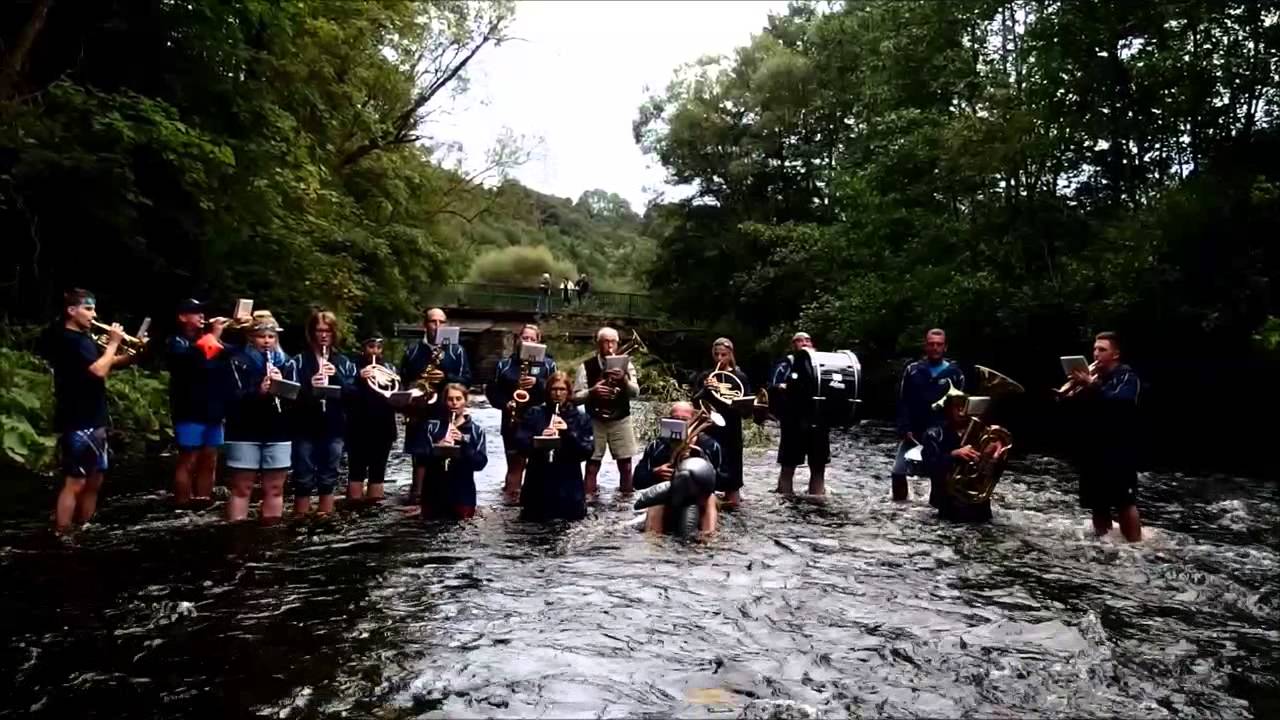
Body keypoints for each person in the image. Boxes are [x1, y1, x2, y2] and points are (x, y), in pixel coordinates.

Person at [44, 289, 142, 533]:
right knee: (75, 481)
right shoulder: (66, 338)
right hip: (77, 418)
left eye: (93, 308)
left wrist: (132, 356)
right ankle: (63, 532)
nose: (94, 314)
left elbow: (105, 364)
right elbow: (98, 370)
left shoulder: (85, 338)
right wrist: (113, 343)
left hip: (95, 417)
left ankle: (84, 527)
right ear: (71, 311)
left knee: (95, 480)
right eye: (88, 308)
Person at [1061, 331, 1143, 542]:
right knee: (1097, 502)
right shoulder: (1094, 377)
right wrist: (1073, 393)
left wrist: (1091, 385)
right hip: (1092, 446)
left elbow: (1120, 402)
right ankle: (1104, 543)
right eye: (1095, 349)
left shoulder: (1127, 376)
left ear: (1115, 354)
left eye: (1102, 350)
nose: (1096, 354)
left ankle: (1135, 546)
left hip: (1118, 447)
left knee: (1124, 501)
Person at [224, 319, 296, 522]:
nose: (266, 341)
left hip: (278, 429)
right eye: (261, 336)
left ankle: (271, 531)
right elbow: (232, 397)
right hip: (244, 430)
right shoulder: (237, 361)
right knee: (242, 486)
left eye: (271, 337)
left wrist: (281, 385)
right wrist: (259, 391)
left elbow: (295, 399)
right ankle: (237, 530)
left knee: (274, 487)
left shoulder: (286, 362)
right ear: (251, 338)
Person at [287, 310, 356, 516]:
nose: (323, 335)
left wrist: (336, 379)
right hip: (305, 426)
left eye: (328, 331)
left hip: (333, 426)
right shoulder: (298, 362)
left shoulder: (343, 362)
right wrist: (310, 386)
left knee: (329, 476)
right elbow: (289, 396)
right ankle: (300, 518)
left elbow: (353, 395)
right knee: (303, 476)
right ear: (312, 333)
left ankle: (325, 518)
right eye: (319, 330)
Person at [400, 307, 471, 502]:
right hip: (419, 410)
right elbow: (402, 381)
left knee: (448, 454)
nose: (438, 326)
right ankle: (417, 497)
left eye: (442, 322)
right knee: (420, 457)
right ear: (425, 325)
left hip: (447, 410)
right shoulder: (413, 350)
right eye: (433, 321)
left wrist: (446, 377)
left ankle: (446, 496)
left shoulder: (457, 351)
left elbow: (466, 380)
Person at [165, 298, 230, 508]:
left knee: (210, 459)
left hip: (213, 408)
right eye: (195, 312)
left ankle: (204, 502)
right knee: (189, 458)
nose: (202, 316)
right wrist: (214, 336)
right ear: (183, 317)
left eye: (203, 312)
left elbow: (232, 352)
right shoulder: (175, 342)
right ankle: (182, 504)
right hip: (189, 408)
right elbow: (193, 359)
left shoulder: (207, 338)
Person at [891, 328, 967, 501]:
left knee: (939, 470)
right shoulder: (912, 370)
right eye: (931, 344)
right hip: (914, 431)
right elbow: (902, 400)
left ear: (945, 347)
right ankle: (899, 506)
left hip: (942, 433)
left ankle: (935, 507)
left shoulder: (955, 374)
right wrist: (904, 428)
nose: (935, 348)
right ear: (926, 346)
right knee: (898, 471)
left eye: (939, 345)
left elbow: (960, 408)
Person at [484, 324, 557, 499]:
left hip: (540, 420)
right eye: (525, 338)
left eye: (533, 339)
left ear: (539, 341)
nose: (529, 341)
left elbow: (558, 390)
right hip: (512, 419)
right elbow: (492, 391)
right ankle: (510, 503)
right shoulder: (504, 364)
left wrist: (538, 383)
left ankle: (535, 499)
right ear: (518, 340)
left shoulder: (548, 365)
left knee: (539, 464)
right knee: (514, 464)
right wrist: (506, 403)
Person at [633, 402, 723, 536]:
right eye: (674, 419)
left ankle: (708, 540)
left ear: (694, 419)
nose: (679, 423)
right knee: (657, 501)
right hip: (668, 495)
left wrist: (700, 468)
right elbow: (637, 481)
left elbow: (722, 482)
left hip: (698, 497)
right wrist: (655, 473)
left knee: (710, 498)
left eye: (684, 420)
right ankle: (653, 542)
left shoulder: (710, 446)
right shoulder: (657, 445)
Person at [516, 372, 594, 522]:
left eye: (562, 390)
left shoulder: (581, 418)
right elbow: (520, 445)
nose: (558, 394)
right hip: (538, 485)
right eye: (554, 389)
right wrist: (539, 439)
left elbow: (587, 451)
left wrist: (568, 433)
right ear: (548, 392)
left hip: (569, 487)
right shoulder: (534, 414)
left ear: (568, 392)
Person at [573, 326, 640, 494]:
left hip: (621, 419)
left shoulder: (627, 365)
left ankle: (625, 502)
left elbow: (636, 393)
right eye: (605, 342)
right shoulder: (586, 366)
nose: (609, 346)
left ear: (617, 344)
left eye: (613, 342)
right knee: (592, 463)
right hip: (595, 419)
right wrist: (592, 392)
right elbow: (574, 398)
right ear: (598, 344)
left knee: (625, 464)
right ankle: (588, 500)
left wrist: (624, 380)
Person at [921, 390, 1003, 523]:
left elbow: (994, 474)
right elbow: (928, 466)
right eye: (956, 405)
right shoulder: (934, 434)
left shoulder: (985, 434)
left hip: (979, 505)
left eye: (965, 404)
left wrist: (994, 457)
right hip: (947, 503)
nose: (961, 409)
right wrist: (954, 454)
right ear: (947, 410)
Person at [691, 337, 752, 506]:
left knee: (733, 474)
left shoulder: (740, 377)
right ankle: (707, 506)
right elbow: (695, 402)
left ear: (730, 355)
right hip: (711, 428)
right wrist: (705, 389)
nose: (719, 359)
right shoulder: (706, 375)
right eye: (716, 354)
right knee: (707, 467)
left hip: (732, 429)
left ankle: (733, 506)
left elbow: (747, 409)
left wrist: (733, 400)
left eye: (723, 355)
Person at [768, 332, 829, 495]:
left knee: (818, 465)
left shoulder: (822, 364)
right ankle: (785, 498)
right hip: (793, 421)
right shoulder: (786, 363)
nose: (804, 343)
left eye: (807, 340)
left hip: (818, 420)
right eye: (799, 340)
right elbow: (773, 387)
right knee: (788, 465)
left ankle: (817, 499)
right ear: (792, 344)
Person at [418, 383, 487, 520]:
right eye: (450, 399)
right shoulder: (431, 427)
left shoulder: (476, 430)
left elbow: (480, 464)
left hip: (462, 495)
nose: (454, 403)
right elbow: (420, 459)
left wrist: (464, 443)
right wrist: (438, 448)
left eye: (458, 399)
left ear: (465, 401)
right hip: (433, 494)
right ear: (444, 402)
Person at [346, 334, 398, 502]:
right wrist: (359, 378)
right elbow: (345, 392)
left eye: (378, 347)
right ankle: (354, 508)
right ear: (363, 348)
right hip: (358, 426)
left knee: (378, 470)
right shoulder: (353, 367)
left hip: (383, 426)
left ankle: (373, 512)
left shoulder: (389, 368)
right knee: (356, 470)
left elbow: (396, 394)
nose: (374, 351)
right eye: (371, 347)